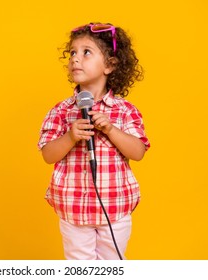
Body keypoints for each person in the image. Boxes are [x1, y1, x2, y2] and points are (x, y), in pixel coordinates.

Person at [37, 22, 150, 260]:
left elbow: (138, 151)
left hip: (114, 206)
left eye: (86, 52)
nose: (76, 59)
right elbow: (48, 155)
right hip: (73, 207)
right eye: (72, 53)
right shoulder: (61, 111)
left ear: (110, 65)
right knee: (79, 266)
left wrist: (111, 129)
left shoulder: (124, 111)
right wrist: (70, 137)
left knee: (113, 263)